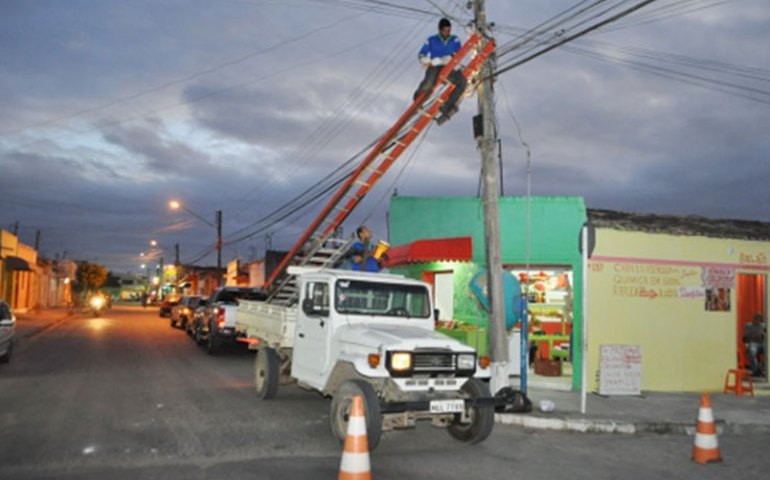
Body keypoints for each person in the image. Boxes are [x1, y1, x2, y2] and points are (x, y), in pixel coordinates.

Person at [413, 17, 467, 125]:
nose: (447, 33)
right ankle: (417, 96)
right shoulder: (432, 40)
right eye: (445, 30)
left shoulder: (455, 40)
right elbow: (421, 54)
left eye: (449, 30)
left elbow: (459, 53)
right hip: (434, 66)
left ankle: (446, 106)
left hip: (448, 67)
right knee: (429, 84)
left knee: (462, 82)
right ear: (440, 30)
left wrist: (450, 58)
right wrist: (428, 61)